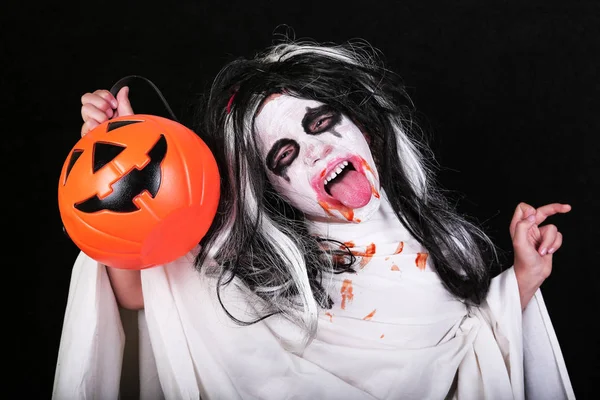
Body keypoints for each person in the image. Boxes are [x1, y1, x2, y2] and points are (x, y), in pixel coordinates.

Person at [53, 40, 575, 399]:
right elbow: (141, 293)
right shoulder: (256, 273)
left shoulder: (441, 241)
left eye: (323, 122)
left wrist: (524, 275)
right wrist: (114, 161)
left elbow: (475, 344)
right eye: (283, 156)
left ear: (363, 129)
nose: (315, 150)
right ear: (274, 189)